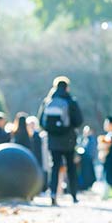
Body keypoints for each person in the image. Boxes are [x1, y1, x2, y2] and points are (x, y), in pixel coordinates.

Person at [39, 76, 83, 206]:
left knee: (55, 167)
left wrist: (52, 131)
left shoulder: (48, 101)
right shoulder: (71, 102)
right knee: (71, 168)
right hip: (69, 140)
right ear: (67, 87)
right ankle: (73, 195)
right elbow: (79, 121)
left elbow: (41, 122)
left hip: (53, 141)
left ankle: (53, 194)